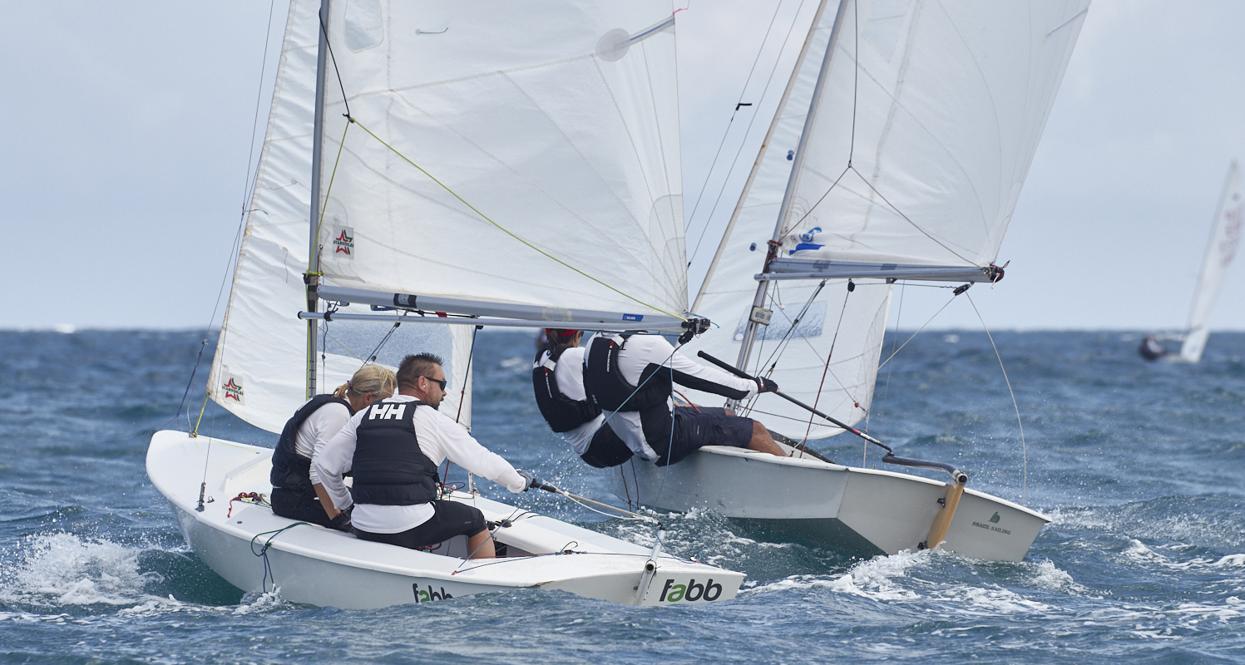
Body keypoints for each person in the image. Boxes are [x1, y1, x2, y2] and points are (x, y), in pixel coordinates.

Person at [313, 352, 536, 559]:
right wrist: (518, 482)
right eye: (442, 385)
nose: (445, 392)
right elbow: (485, 462)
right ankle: (485, 586)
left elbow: (325, 465)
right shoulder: (432, 419)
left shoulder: (364, 415)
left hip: (363, 526)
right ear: (423, 383)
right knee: (475, 519)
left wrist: (347, 504)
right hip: (411, 527)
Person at [583, 333, 787, 466]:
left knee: (727, 414)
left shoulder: (596, 343)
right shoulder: (649, 347)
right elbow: (703, 379)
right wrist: (755, 385)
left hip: (630, 436)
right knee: (756, 429)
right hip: (663, 442)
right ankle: (790, 482)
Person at [269, 364, 396, 529]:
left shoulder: (333, 402)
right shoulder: (337, 414)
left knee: (372, 506)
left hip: (295, 493)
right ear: (369, 399)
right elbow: (318, 473)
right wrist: (340, 518)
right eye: (385, 402)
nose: (385, 408)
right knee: (371, 523)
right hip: (295, 500)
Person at [532, 329, 633, 468]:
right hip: (607, 443)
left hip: (588, 454)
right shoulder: (576, 355)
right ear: (577, 335)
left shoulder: (541, 359)